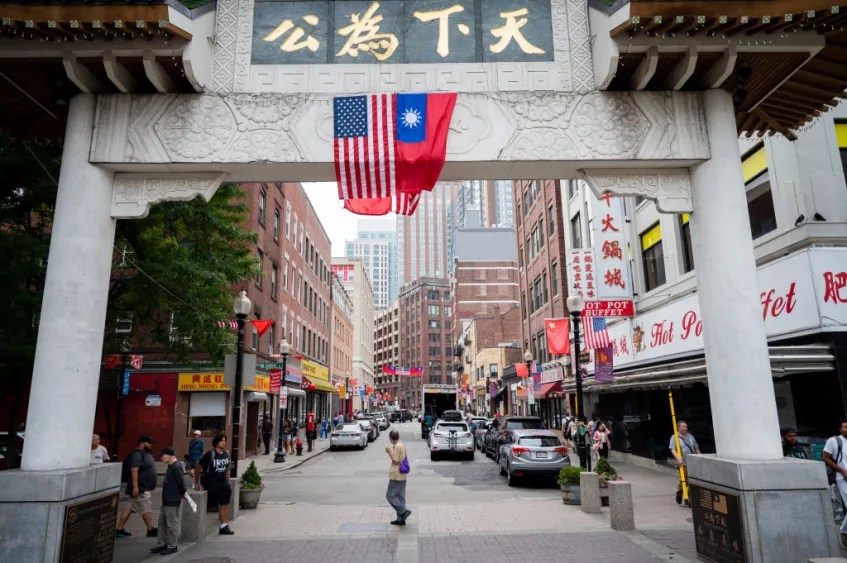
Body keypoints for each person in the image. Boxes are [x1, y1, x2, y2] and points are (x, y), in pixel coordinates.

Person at [116, 435, 158, 538]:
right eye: (149, 443)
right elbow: (134, 470)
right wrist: (135, 487)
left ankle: (119, 529)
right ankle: (150, 529)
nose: (151, 445)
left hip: (141, 487)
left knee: (129, 507)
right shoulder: (137, 454)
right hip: (140, 488)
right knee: (146, 508)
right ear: (143, 443)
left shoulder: (145, 454)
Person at [195, 434, 235, 535]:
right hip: (211, 485)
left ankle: (224, 526)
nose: (224, 442)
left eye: (225, 440)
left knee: (224, 504)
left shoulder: (226, 453)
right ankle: (197, 528)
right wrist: (196, 482)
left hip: (224, 484)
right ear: (216, 442)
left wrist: (228, 481)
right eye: (221, 441)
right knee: (208, 506)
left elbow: (228, 468)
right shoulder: (210, 454)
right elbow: (199, 467)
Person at [150, 448, 186, 555]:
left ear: (169, 455)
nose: (161, 458)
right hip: (166, 499)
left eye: (162, 455)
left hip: (172, 499)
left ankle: (172, 545)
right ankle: (162, 544)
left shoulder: (177, 466)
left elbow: (181, 483)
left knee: (171, 524)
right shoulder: (171, 466)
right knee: (162, 522)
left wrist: (183, 494)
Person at [824, 420, 847, 547]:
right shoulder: (833, 441)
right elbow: (825, 457)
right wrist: (842, 470)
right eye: (845, 427)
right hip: (842, 478)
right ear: (840, 429)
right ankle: (843, 531)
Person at [669, 420, 701, 506]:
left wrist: (701, 458)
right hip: (683, 463)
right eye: (683, 427)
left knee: (692, 481)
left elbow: (696, 448)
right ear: (678, 427)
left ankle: (691, 501)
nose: (685, 428)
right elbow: (672, 449)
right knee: (685, 480)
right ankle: (679, 493)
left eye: (686, 427)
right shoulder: (675, 437)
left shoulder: (691, 437)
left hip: (693, 462)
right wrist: (679, 459)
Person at [385, 429, 411, 525]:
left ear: (391, 438)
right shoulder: (402, 445)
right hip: (402, 475)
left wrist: (389, 452)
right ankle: (401, 519)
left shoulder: (397, 446)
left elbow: (395, 461)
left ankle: (404, 511)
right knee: (400, 497)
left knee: (390, 495)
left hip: (396, 475)